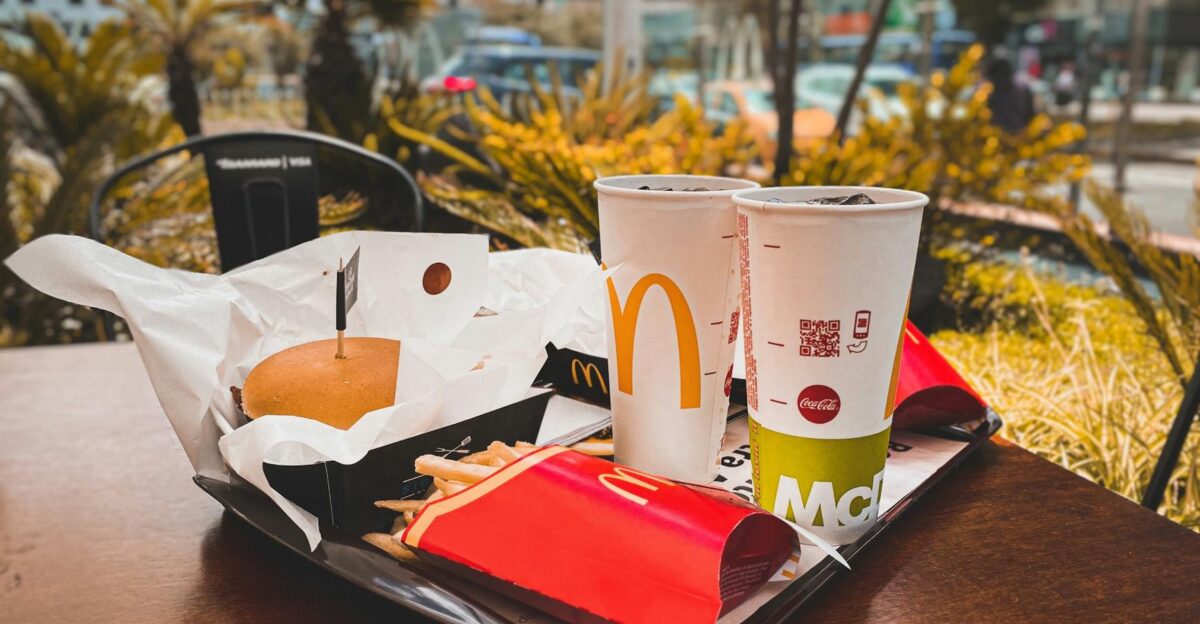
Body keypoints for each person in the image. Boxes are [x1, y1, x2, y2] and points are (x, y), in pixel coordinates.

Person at [985, 57, 1034, 134]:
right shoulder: (1023, 92)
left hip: (997, 138)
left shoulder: (989, 96)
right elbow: (1030, 116)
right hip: (1019, 135)